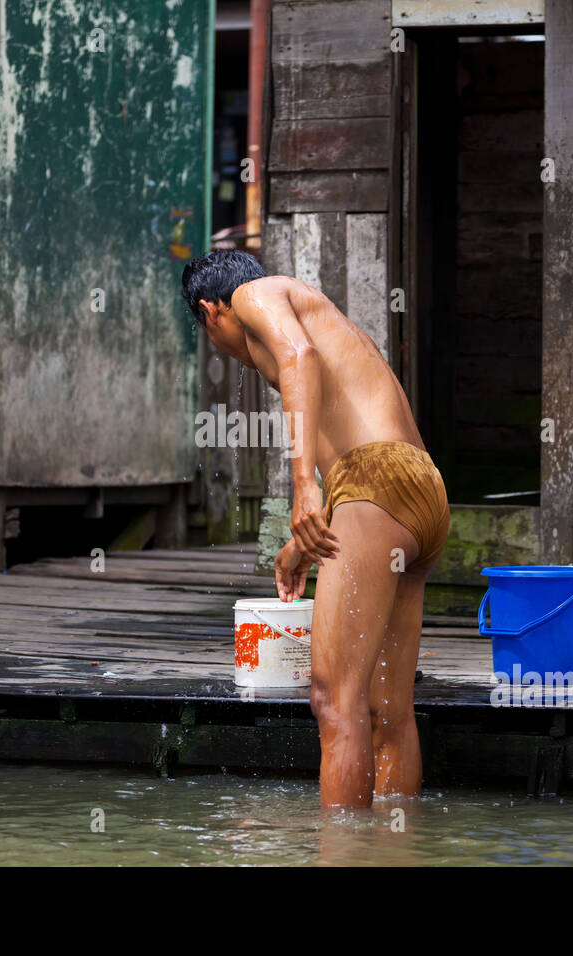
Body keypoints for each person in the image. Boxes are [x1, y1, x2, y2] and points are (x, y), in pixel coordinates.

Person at [181, 249, 449, 808]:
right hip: (420, 490)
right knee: (387, 712)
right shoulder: (316, 310)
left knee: (334, 701)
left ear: (210, 311)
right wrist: (312, 529)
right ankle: (395, 849)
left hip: (374, 486)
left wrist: (303, 485)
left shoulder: (253, 295)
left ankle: (342, 853)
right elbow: (363, 444)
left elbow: (298, 357)